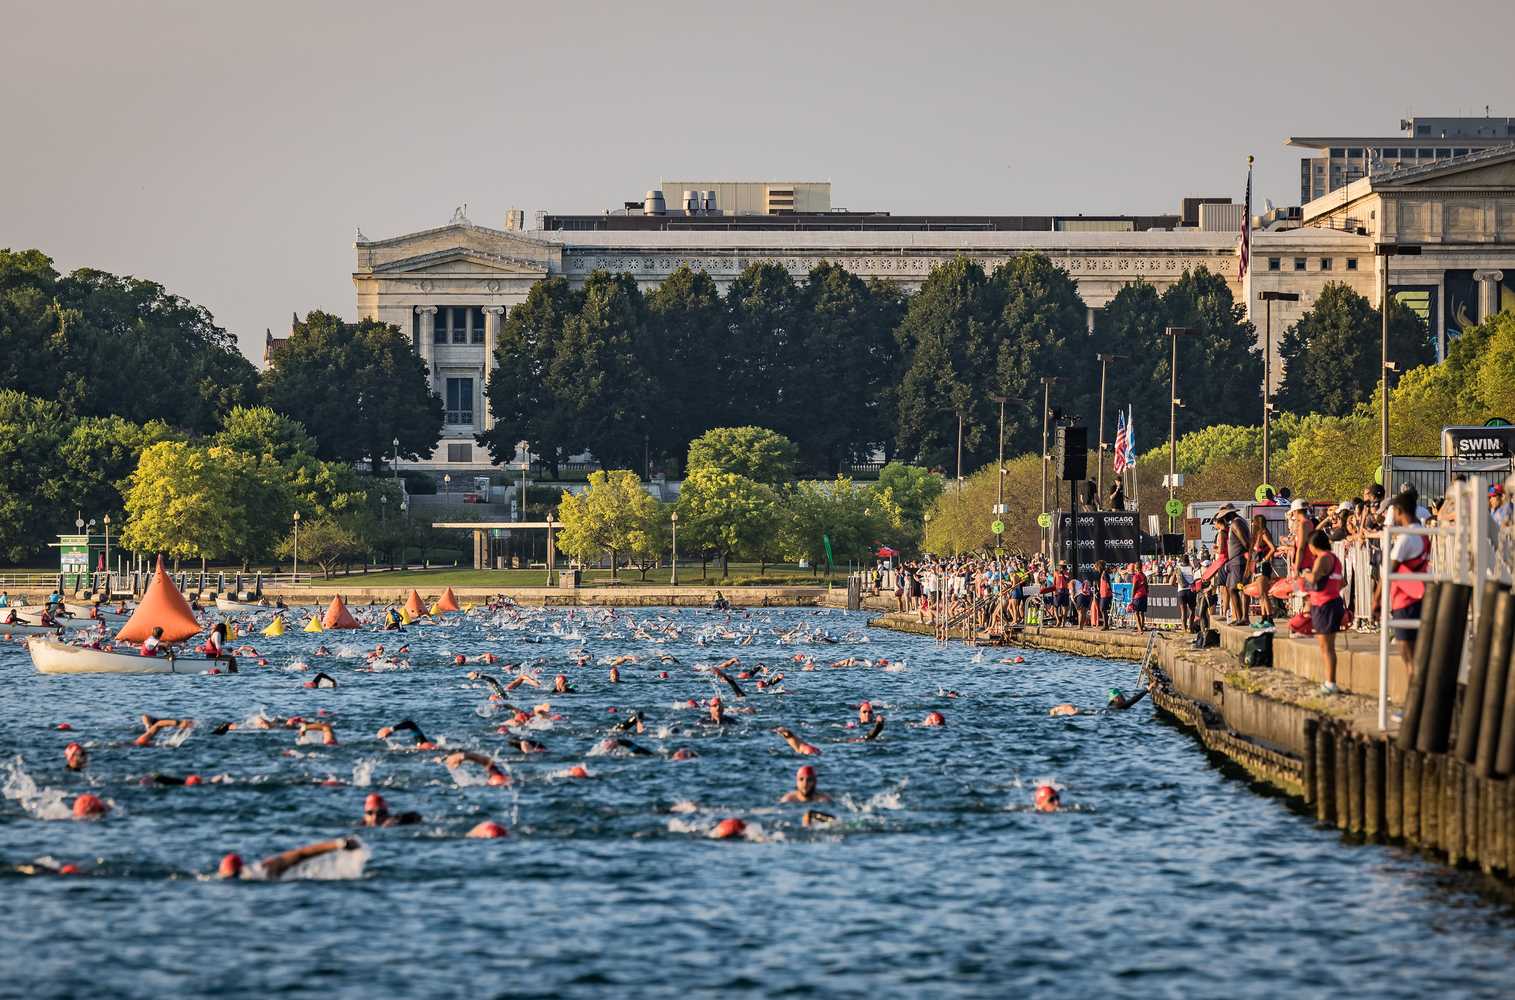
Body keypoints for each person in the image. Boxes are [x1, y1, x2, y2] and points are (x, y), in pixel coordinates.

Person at [1387, 491, 1428, 682]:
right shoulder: (1422, 533)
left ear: (1399, 510)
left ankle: (1414, 704)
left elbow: (1389, 571)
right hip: (1419, 597)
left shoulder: (1405, 538)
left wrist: (1378, 600)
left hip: (1404, 600)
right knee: (1416, 655)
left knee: (1409, 658)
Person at [1304, 529, 1345, 694]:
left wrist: (1305, 574)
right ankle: (1330, 681)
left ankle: (1330, 683)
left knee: (1325, 647)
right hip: (1334, 603)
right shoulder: (1335, 559)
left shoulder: (1322, 559)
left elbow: (1313, 579)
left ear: (1314, 545)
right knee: (1330, 647)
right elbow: (1342, 582)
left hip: (1324, 605)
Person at [219, 837, 362, 880]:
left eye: (235, 876)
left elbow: (301, 854)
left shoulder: (265, 870)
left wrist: (338, 844)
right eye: (231, 878)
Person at [1213, 503, 1250, 625]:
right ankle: (1239, 618)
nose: (1223, 519)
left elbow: (1245, 542)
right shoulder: (1235, 522)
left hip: (1238, 561)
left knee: (1239, 589)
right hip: (1234, 561)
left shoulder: (1236, 523)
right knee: (1232, 589)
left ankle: (1243, 618)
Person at [1249, 514, 1278, 626]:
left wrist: (1265, 559)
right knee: (1260, 594)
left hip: (1263, 566)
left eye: (1253, 522)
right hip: (1257, 566)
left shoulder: (1263, 533)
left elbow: (1272, 548)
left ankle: (1269, 618)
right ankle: (1263, 617)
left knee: (1264, 594)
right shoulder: (1257, 535)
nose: (1252, 524)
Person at [1128, 562, 1149, 632]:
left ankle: (1140, 630)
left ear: (1136, 568)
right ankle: (1142, 627)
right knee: (1142, 613)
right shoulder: (1144, 575)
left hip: (1138, 596)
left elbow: (1134, 588)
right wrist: (1146, 593)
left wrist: (1131, 598)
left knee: (1136, 613)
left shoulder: (1136, 576)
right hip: (1144, 595)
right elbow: (1146, 586)